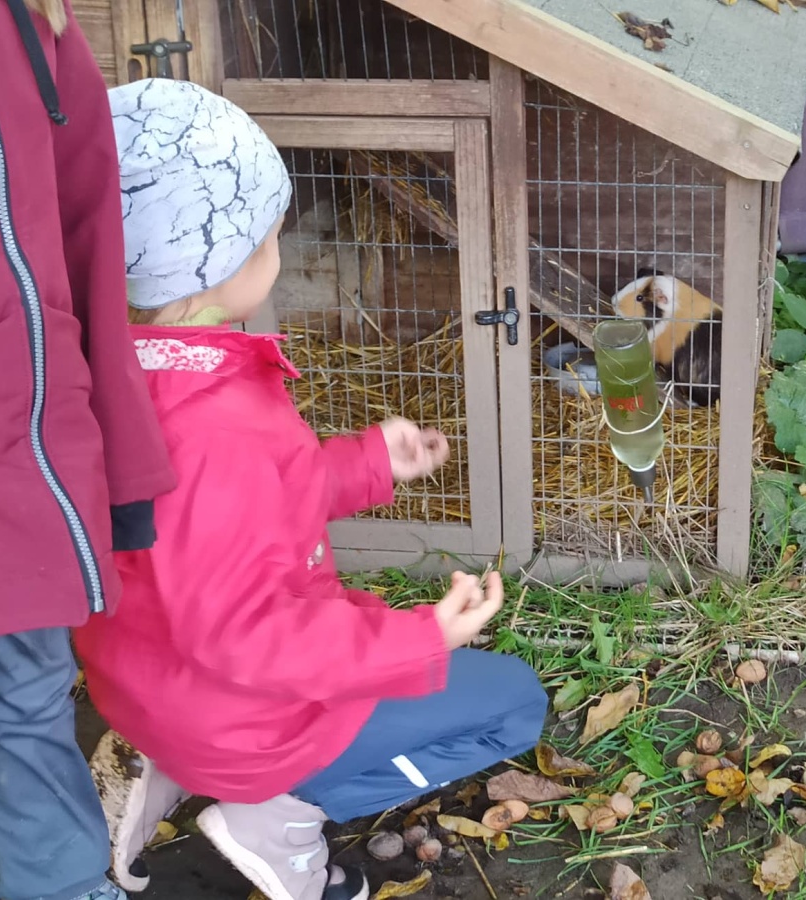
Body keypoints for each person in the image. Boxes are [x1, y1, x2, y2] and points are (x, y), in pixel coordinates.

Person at [72, 77, 548, 900]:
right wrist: (419, 638)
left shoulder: (126, 371)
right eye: (269, 236)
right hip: (242, 713)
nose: (280, 251)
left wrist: (369, 463)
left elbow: (238, 516)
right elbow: (246, 634)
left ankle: (164, 760)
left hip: (152, 683)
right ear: (216, 266)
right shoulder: (215, 426)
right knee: (514, 704)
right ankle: (279, 814)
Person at [0, 0, 177, 898]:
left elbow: (78, 232)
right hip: (22, 452)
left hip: (24, 461)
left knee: (22, 699)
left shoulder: (36, 34)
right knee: (22, 707)